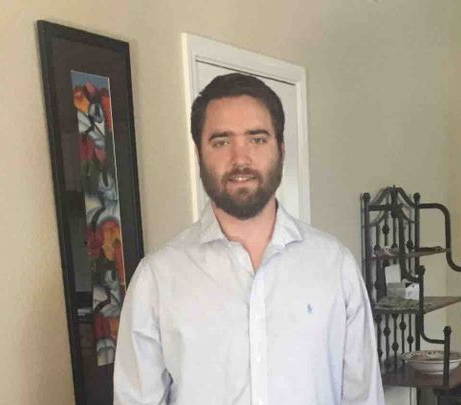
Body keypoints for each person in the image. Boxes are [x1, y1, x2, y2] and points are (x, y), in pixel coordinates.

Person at [113, 73, 384, 405]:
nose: (240, 159)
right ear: (199, 154)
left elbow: (363, 397)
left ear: (281, 149)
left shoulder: (335, 267)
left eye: (257, 139)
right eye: (221, 142)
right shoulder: (156, 280)